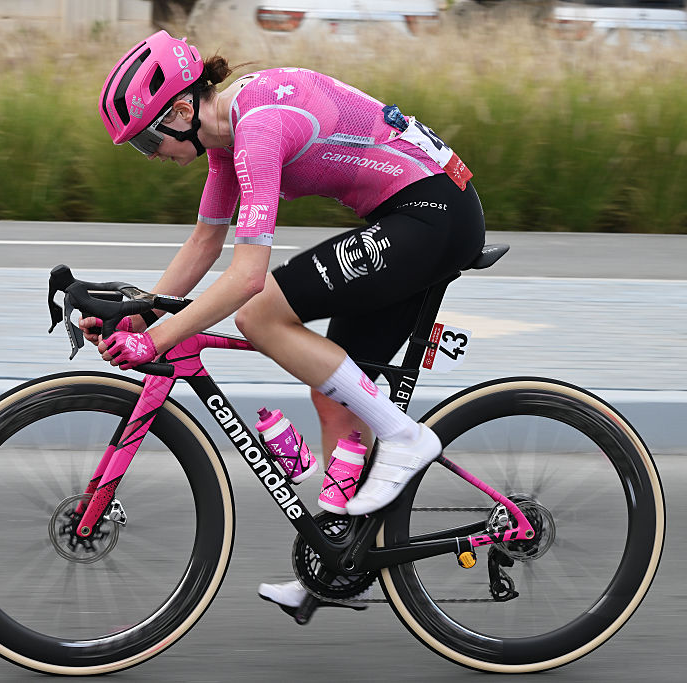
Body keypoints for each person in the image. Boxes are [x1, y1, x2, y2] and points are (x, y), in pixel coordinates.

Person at [85, 30, 485, 612]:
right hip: (413, 215)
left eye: (148, 140)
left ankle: (405, 437)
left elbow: (248, 277)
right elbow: (204, 244)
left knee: (260, 315)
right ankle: (336, 559)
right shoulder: (226, 137)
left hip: (433, 213)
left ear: (181, 111)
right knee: (335, 392)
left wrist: (159, 338)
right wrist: (137, 318)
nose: (150, 155)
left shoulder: (258, 126)